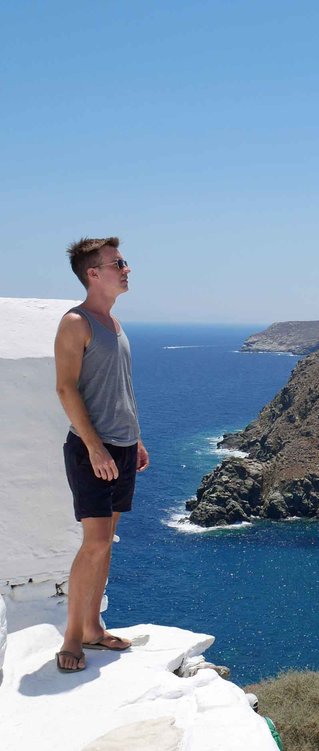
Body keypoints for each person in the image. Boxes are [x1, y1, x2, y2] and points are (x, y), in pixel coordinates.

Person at [53, 237, 149, 673]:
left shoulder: (112, 322)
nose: (127, 268)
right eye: (118, 263)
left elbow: (120, 390)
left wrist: (137, 440)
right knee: (93, 544)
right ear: (94, 273)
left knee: (106, 542)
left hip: (123, 447)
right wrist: (95, 447)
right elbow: (66, 388)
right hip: (94, 449)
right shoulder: (77, 322)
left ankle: (93, 628)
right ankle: (71, 638)